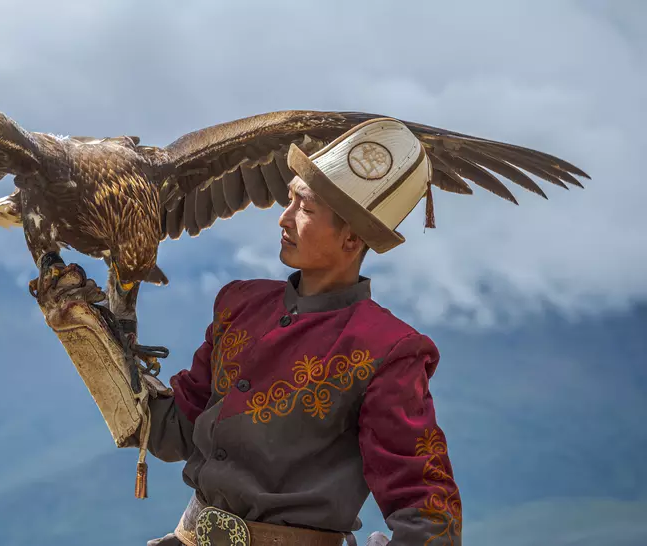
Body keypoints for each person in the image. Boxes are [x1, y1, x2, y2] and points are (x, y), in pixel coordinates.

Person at [35, 118, 461, 546]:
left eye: (305, 208)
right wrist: (86, 334)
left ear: (351, 239)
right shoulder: (240, 305)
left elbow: (426, 505)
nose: (284, 218)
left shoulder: (387, 349)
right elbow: (172, 431)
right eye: (289, 199)